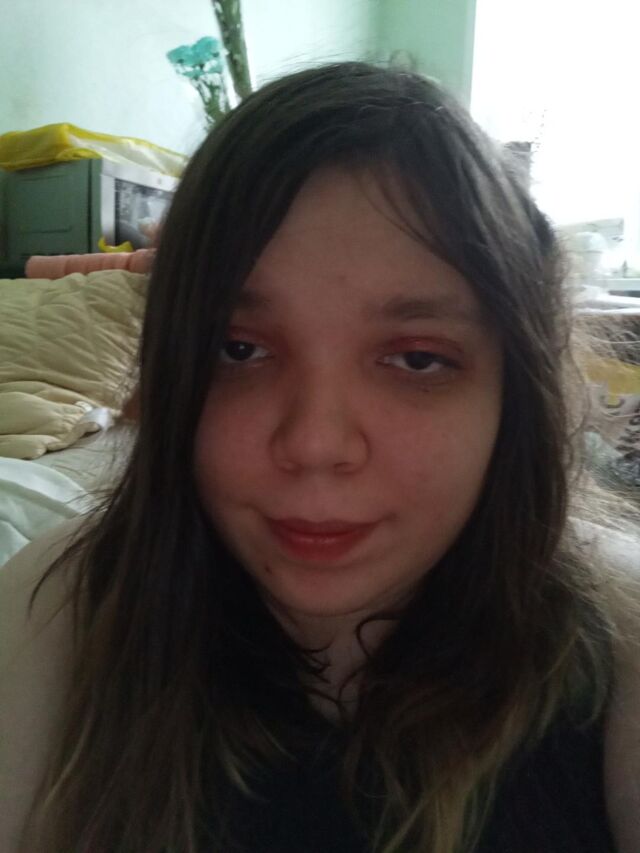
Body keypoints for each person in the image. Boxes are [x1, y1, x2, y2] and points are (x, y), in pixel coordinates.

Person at [1, 61, 639, 853]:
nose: (314, 443)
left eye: (416, 359)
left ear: (514, 394)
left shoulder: (617, 646)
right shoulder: (58, 611)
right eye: (238, 348)